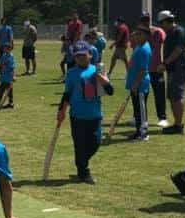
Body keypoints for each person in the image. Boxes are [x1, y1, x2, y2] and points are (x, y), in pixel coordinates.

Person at [57, 40, 113, 184]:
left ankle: (81, 162)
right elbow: (67, 94)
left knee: (95, 143)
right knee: (80, 144)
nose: (81, 58)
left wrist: (102, 79)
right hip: (77, 116)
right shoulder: (71, 74)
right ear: (74, 57)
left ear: (90, 55)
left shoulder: (97, 70)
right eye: (77, 56)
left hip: (95, 115)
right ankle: (83, 172)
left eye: (84, 55)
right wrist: (61, 110)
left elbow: (110, 91)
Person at [157, 11, 185, 135]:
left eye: (161, 23)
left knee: (177, 96)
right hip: (172, 69)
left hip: (178, 68)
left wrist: (165, 63)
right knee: (172, 97)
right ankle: (176, 124)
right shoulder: (170, 33)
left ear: (166, 21)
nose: (161, 26)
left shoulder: (178, 31)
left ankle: (178, 125)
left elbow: (178, 49)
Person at [139, 12, 167, 127]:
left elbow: (163, 47)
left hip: (156, 68)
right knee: (142, 94)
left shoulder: (158, 32)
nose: (146, 21)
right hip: (144, 69)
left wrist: (163, 64)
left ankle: (162, 117)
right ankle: (141, 117)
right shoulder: (139, 33)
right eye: (143, 19)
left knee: (159, 94)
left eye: (147, 19)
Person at [125, 27, 152, 141]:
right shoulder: (138, 47)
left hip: (140, 85)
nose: (137, 36)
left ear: (146, 36)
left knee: (140, 110)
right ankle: (138, 131)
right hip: (135, 83)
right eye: (136, 34)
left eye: (140, 34)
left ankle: (143, 133)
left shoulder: (143, 49)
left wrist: (135, 84)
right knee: (137, 109)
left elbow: (143, 70)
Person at [0, 42, 15, 109]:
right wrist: (2, 64)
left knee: (8, 90)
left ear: (10, 49)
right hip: (3, 76)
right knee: (1, 89)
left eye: (6, 48)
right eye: (4, 48)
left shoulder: (11, 56)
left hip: (8, 76)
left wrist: (13, 76)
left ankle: (10, 103)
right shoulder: (3, 55)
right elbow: (0, 64)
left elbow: (12, 67)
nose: (5, 49)